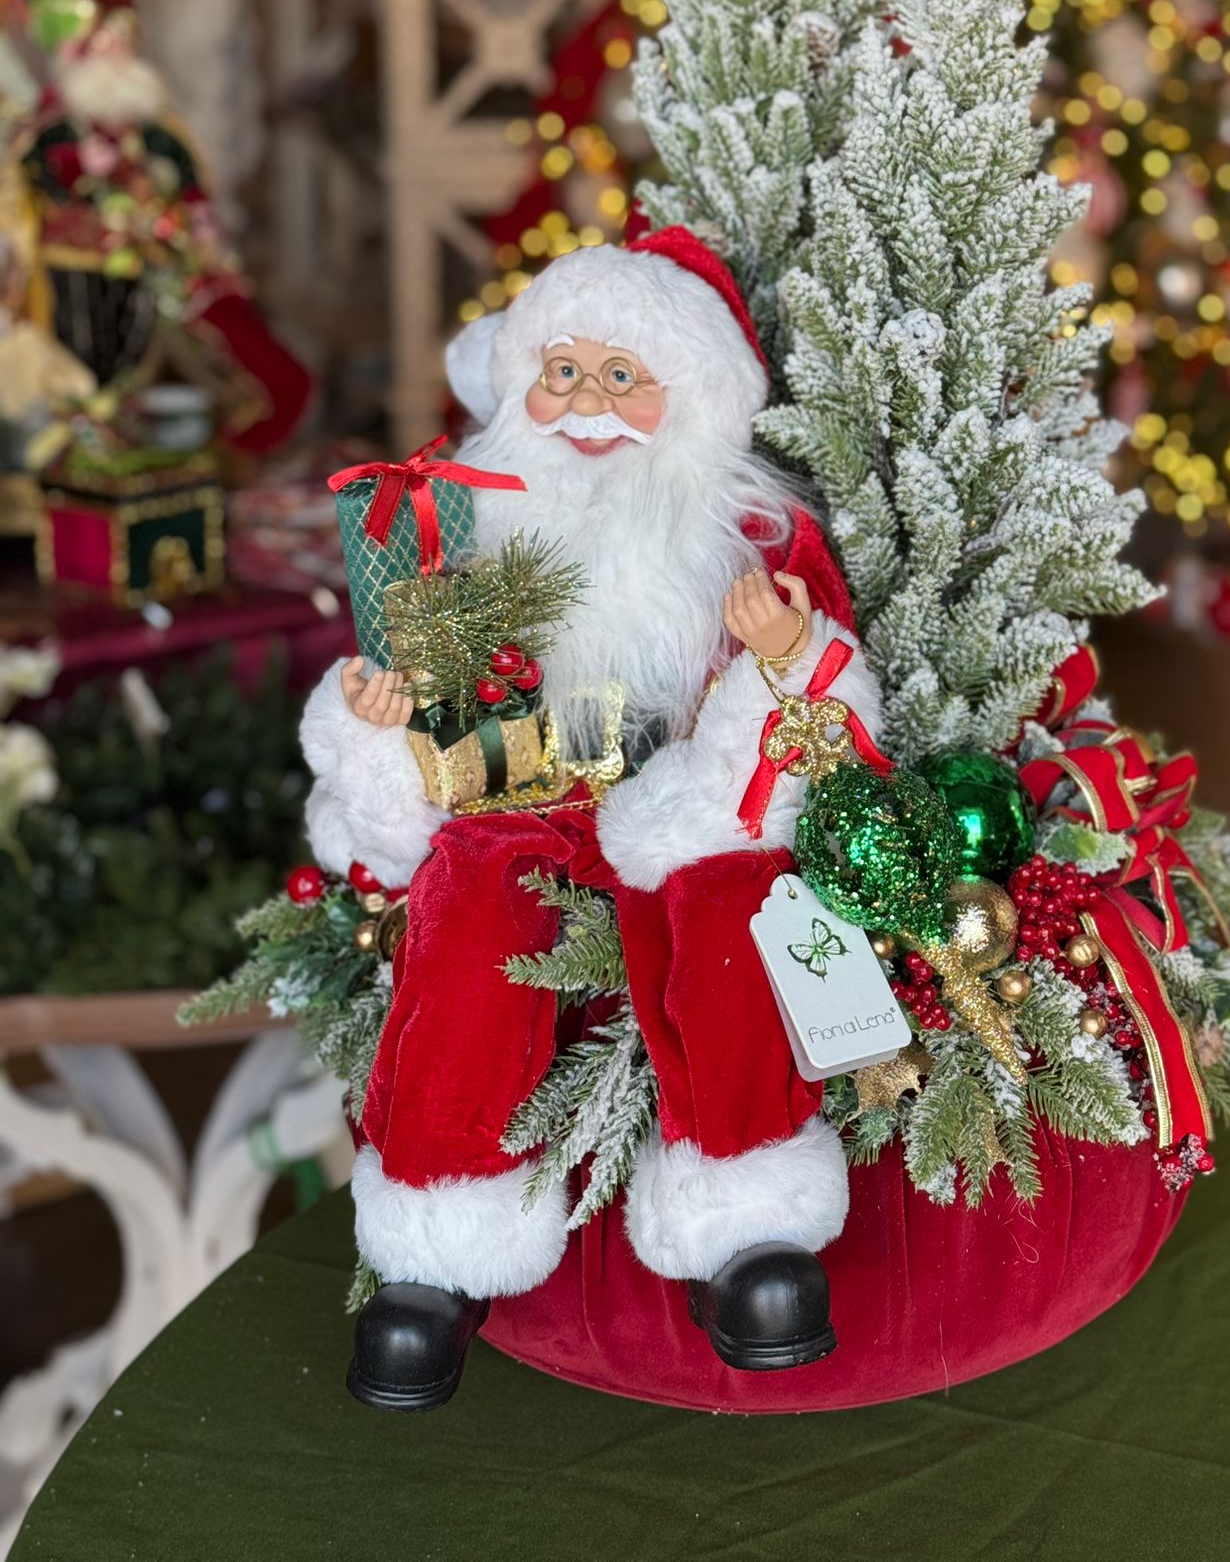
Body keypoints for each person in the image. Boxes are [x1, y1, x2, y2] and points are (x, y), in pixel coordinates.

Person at [299, 228, 882, 1409]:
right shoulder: (465, 530)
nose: (586, 404)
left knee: (725, 896)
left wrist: (782, 656)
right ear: (518, 384)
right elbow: (425, 718)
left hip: (685, 791)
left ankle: (749, 1227)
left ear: (696, 397)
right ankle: (436, 1243)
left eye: (625, 377)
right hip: (524, 795)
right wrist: (382, 719)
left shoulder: (752, 537)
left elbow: (821, 718)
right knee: (469, 892)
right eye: (562, 370)